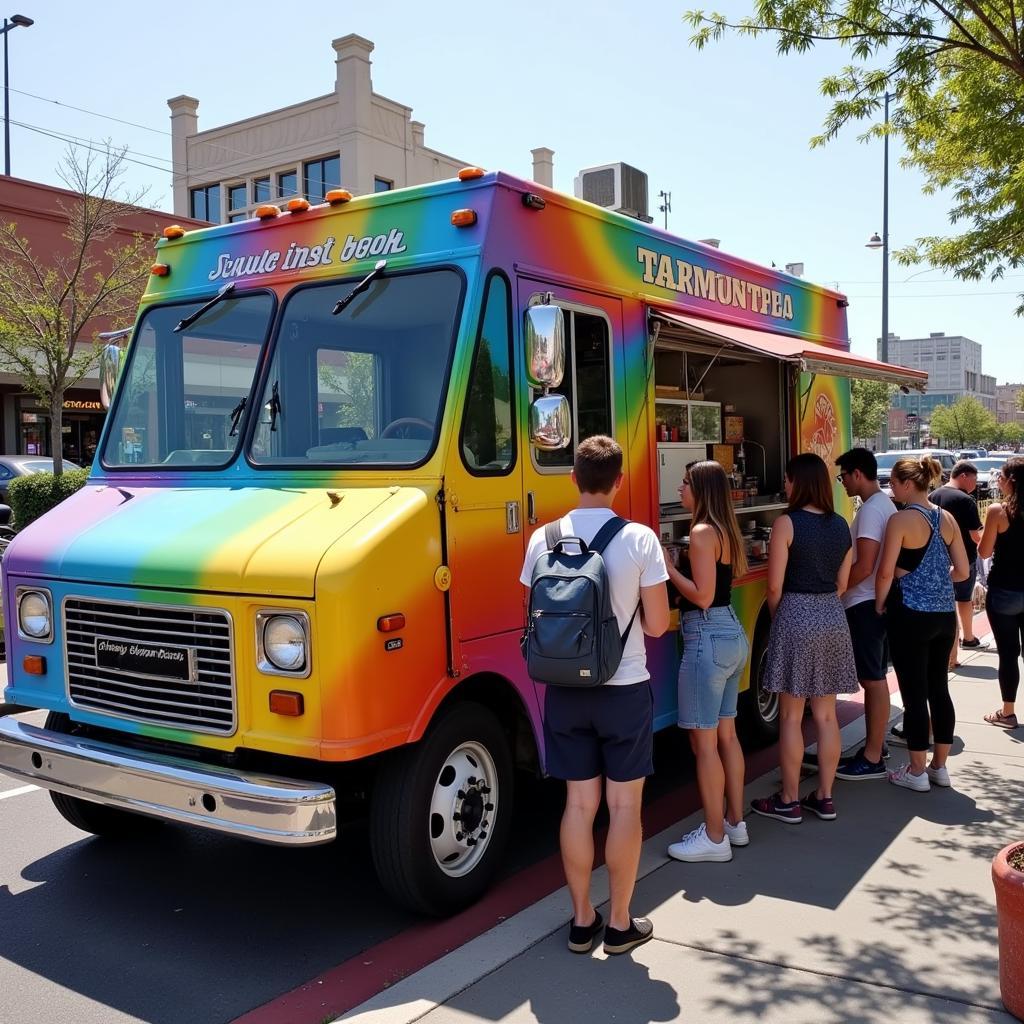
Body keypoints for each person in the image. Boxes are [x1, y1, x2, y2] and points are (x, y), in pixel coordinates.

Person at [520, 435, 670, 956]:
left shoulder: (542, 539)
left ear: (573, 478)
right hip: (623, 690)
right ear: (619, 481)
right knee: (624, 804)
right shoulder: (640, 539)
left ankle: (582, 920)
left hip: (563, 690)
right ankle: (621, 922)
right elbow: (656, 625)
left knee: (578, 805)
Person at [751, 453, 858, 824]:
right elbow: (843, 583)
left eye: (788, 478)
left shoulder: (787, 523)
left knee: (792, 717)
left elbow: (775, 585)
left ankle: (789, 799)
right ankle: (825, 797)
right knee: (826, 716)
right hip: (832, 615)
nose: (785, 484)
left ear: (799, 483)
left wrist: (781, 616)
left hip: (796, 614)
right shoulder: (841, 525)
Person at [662, 461, 750, 863]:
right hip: (731, 632)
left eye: (684, 483)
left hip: (706, 636)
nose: (680, 488)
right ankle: (735, 821)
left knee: (704, 744)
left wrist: (666, 568)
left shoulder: (699, 533)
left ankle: (714, 838)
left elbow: (700, 595)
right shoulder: (726, 529)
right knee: (728, 737)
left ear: (700, 490)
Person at [875, 456, 970, 791]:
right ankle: (938, 767)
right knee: (939, 689)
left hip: (910, 614)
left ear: (905, 484)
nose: (891, 489)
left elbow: (886, 571)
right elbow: (963, 571)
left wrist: (879, 602)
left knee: (914, 695)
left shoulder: (900, 520)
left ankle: (916, 771)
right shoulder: (947, 519)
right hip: (944, 616)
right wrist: (935, 579)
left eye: (893, 483)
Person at [833, 448, 897, 781]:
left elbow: (865, 565)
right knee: (874, 679)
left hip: (863, 604)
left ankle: (873, 756)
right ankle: (875, 744)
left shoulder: (872, 511)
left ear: (858, 473)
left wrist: (836, 591)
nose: (841, 482)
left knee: (872, 681)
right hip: (871, 603)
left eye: (843, 476)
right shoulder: (881, 505)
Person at [978, 456, 1024, 731]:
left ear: (1011, 482)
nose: (998, 481)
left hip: (1006, 589)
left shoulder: (998, 511)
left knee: (1008, 654)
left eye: (1001, 477)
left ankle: (1008, 713)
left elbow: (984, 552)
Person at [930, 461, 987, 667]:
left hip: (937, 560)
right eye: (974, 478)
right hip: (963, 560)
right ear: (963, 476)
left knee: (944, 604)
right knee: (963, 600)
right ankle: (966, 639)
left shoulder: (933, 496)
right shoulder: (966, 500)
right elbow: (975, 536)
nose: (976, 483)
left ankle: (945, 652)